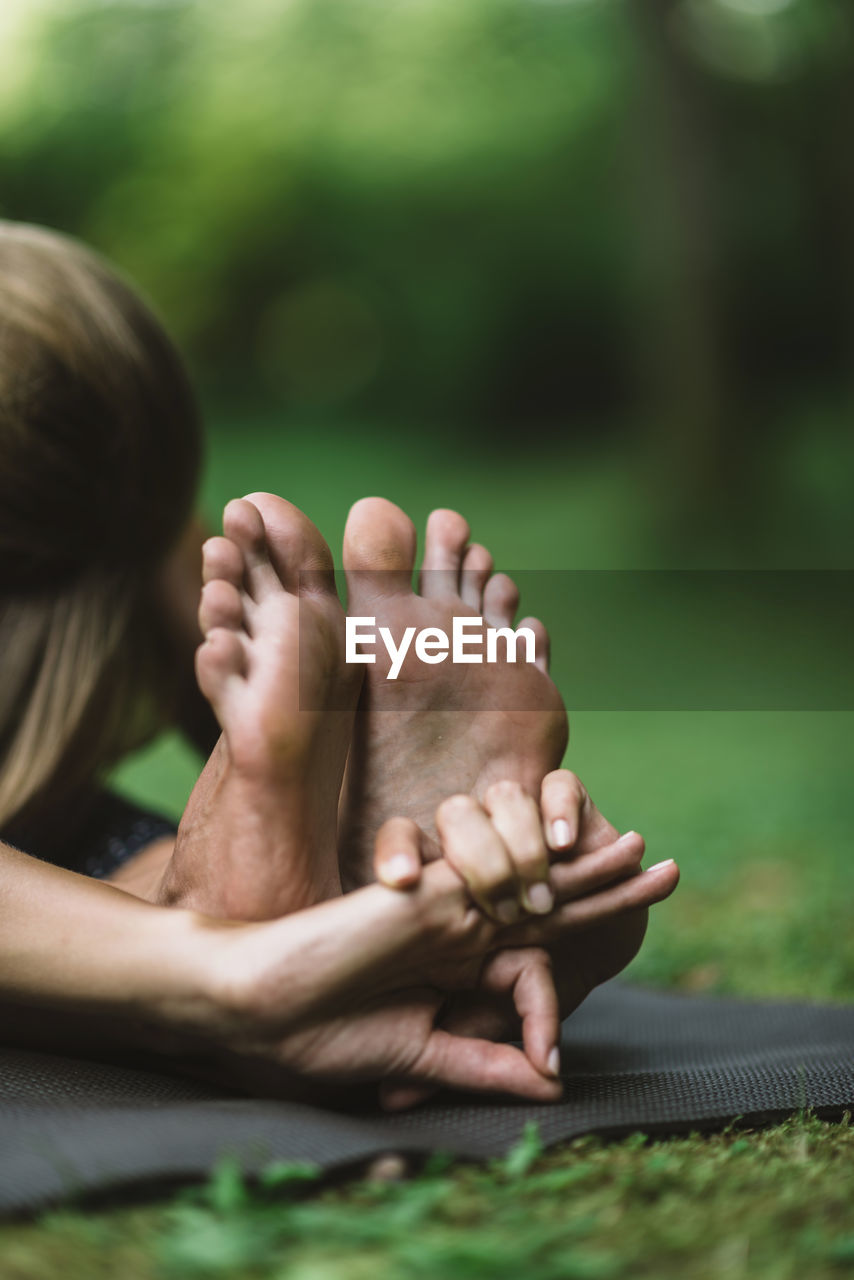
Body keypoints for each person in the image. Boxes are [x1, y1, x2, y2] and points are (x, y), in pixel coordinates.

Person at [0, 220, 679, 1104]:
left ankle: (224, 913)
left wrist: (305, 824)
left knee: (143, 879)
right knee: (123, 864)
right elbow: (227, 640)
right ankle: (232, 909)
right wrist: (243, 956)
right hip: (64, 820)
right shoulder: (148, 506)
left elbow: (259, 678)